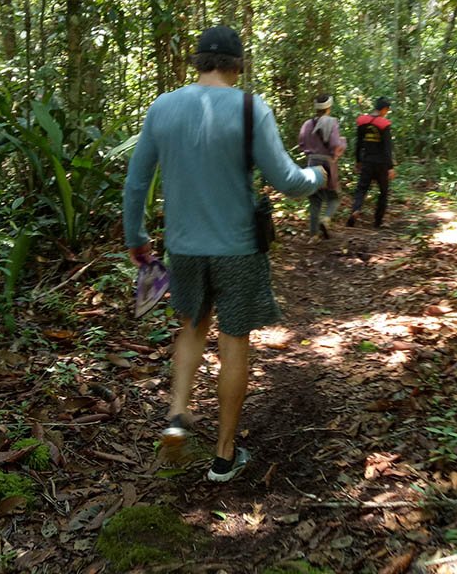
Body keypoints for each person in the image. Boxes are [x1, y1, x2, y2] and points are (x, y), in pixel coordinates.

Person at [123, 25, 326, 483]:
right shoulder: (252, 108)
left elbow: (136, 182)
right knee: (234, 342)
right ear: (238, 65)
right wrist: (318, 177)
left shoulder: (163, 108)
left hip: (184, 247)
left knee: (191, 328)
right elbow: (287, 181)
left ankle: (177, 414)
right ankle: (223, 456)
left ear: (198, 61)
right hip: (237, 249)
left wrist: (136, 237)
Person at [297, 93, 347, 240]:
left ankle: (313, 236)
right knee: (334, 196)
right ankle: (326, 219)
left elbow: (301, 143)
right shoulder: (332, 122)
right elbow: (335, 145)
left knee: (314, 199)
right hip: (327, 163)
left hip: (312, 163)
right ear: (329, 107)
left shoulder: (307, 124)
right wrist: (343, 143)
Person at [346, 96, 396, 229]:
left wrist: (358, 160)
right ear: (384, 109)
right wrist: (390, 167)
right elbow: (387, 147)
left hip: (367, 161)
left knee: (361, 189)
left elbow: (358, 143)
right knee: (383, 192)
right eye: (387, 110)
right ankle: (377, 222)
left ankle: (355, 210)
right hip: (381, 164)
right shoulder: (384, 124)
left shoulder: (363, 122)